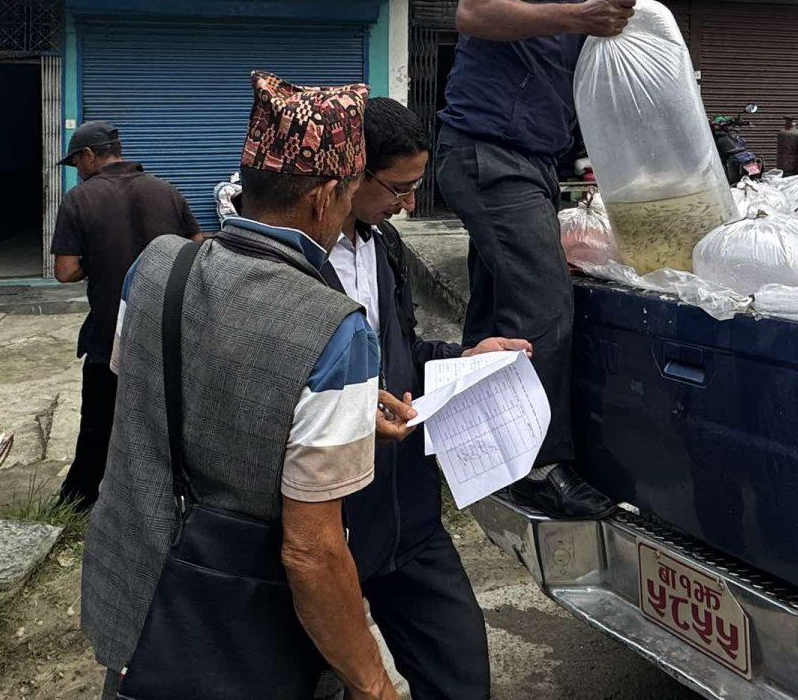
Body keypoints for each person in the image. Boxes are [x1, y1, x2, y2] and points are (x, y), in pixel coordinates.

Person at [83, 74, 399, 700]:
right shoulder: (337, 329)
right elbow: (312, 554)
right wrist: (373, 685)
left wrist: (342, 414)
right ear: (325, 197)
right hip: (240, 636)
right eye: (350, 193)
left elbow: (145, 387)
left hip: (134, 605)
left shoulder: (155, 266)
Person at [435, 0, 642, 519]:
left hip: (525, 163)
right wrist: (578, 18)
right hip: (491, 157)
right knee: (544, 304)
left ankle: (474, 449)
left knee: (497, 313)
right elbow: (474, 10)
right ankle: (540, 466)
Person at [330, 98, 527, 700]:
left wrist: (461, 357)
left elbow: (401, 352)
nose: (409, 205)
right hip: (329, 519)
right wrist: (351, 412)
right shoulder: (292, 263)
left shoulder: (384, 245)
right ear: (351, 173)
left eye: (417, 188)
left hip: (406, 514)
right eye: (399, 188)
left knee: (461, 673)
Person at [50, 121, 200, 510]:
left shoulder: (79, 199)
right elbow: (197, 247)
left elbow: (65, 270)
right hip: (167, 330)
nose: (77, 171)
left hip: (109, 335)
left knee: (98, 425)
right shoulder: (166, 191)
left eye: (76, 162)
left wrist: (98, 262)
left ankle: (79, 502)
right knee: (167, 420)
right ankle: (172, 497)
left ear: (89, 156)